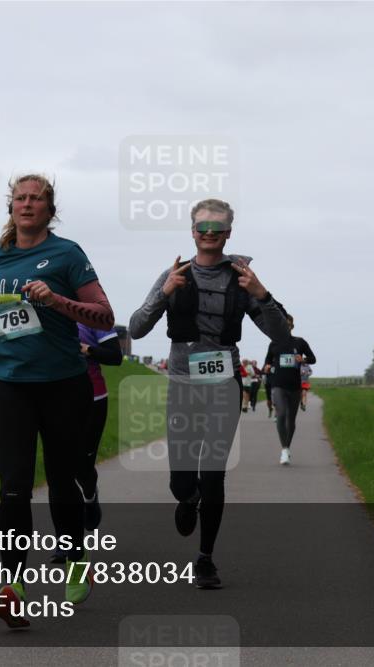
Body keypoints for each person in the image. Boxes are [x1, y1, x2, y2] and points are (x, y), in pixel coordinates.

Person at [0, 174, 115, 628]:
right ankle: (12, 584)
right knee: (13, 484)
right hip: (6, 383)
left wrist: (56, 300)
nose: (27, 204)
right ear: (10, 206)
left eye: (36, 199)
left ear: (50, 210)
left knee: (60, 478)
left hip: (62, 382)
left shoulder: (67, 254)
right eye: (20, 198)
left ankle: (74, 557)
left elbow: (104, 313)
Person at [129, 198, 289, 589]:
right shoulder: (175, 274)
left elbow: (282, 334)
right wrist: (164, 292)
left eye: (218, 228)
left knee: (213, 473)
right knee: (181, 481)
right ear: (193, 232)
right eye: (203, 227)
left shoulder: (242, 277)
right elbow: (135, 329)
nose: (210, 234)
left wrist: (262, 294)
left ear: (229, 232)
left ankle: (205, 559)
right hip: (183, 385)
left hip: (223, 385)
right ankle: (187, 498)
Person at [49, 323, 123, 564]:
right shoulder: (44, 310)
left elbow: (115, 357)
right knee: (59, 471)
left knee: (82, 467)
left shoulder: (93, 315)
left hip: (93, 398)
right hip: (55, 397)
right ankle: (65, 539)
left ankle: (90, 495)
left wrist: (86, 349)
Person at [263, 315, 316, 465]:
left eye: (288, 324)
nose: (285, 327)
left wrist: (303, 359)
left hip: (295, 386)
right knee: (282, 414)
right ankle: (284, 450)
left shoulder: (300, 342)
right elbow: (267, 360)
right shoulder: (274, 344)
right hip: (278, 384)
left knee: (291, 420)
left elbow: (313, 358)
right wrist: (266, 366)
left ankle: (288, 447)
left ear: (292, 326)